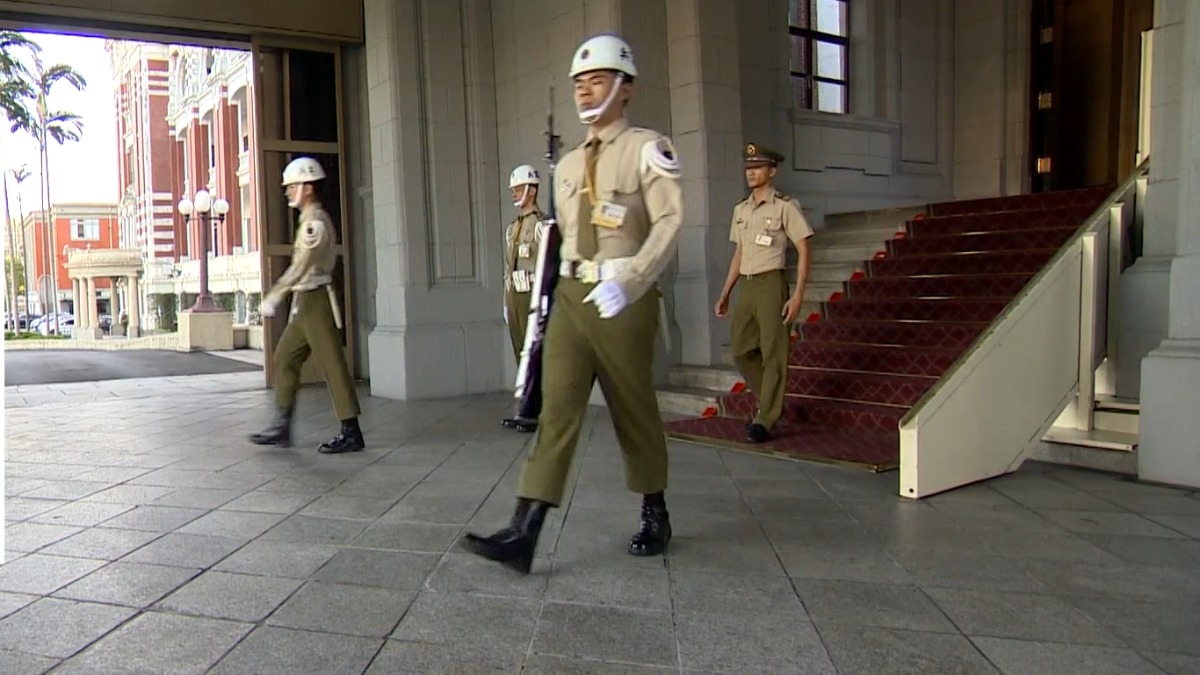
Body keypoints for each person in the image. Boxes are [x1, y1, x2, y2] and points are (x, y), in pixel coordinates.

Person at [462, 33, 684, 574]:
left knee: (632, 407)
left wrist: (631, 281)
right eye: (580, 84)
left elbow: (671, 221)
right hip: (572, 295)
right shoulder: (564, 168)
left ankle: (654, 507)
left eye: (598, 81)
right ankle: (525, 529)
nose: (586, 93)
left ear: (625, 88)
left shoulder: (646, 150)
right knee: (556, 409)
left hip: (623, 299)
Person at [248, 156, 365, 454]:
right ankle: (282, 426)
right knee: (285, 356)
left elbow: (302, 265)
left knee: (332, 364)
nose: (287, 191)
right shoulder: (308, 220)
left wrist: (276, 293)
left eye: (292, 186)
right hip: (304, 300)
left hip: (316, 300)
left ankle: (351, 430)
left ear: (308, 187)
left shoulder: (316, 223)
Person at [714, 143, 813, 443]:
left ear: (772, 171)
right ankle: (772, 401)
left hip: (772, 283)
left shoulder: (784, 206)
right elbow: (739, 253)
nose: (751, 173)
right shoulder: (741, 209)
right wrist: (726, 292)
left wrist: (797, 295)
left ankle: (766, 417)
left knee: (774, 353)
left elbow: (804, 249)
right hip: (747, 284)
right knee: (741, 349)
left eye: (757, 168)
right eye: (748, 168)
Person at [501, 163, 546, 434]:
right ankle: (526, 407)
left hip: (531, 295)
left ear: (531, 190)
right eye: (513, 190)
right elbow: (508, 267)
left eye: (518, 189)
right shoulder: (512, 228)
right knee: (521, 352)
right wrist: (504, 301)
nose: (515, 194)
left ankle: (536, 410)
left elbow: (545, 264)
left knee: (535, 353)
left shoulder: (540, 225)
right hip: (514, 296)